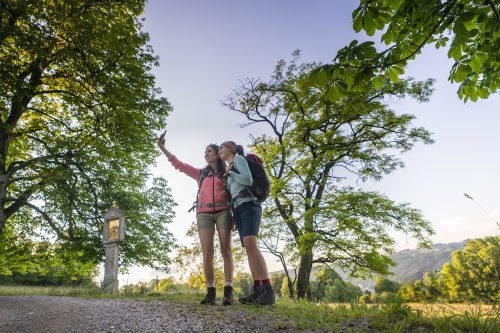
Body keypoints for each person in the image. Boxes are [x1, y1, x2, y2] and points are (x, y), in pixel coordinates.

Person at [158, 134, 234, 305]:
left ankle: (228, 292)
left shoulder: (227, 172)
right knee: (207, 252)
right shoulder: (200, 174)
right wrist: (162, 148)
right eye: (205, 152)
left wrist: (235, 215)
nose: (206, 154)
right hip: (203, 214)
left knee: (225, 250)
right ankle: (210, 292)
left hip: (224, 212)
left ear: (217, 154)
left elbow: (235, 192)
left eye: (209, 151)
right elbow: (180, 165)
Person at [219, 141, 275, 305]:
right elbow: (234, 193)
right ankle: (257, 289)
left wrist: (231, 175)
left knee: (251, 245)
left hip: (250, 205)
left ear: (230, 149)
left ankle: (268, 290)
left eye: (222, 148)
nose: (220, 150)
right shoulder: (229, 167)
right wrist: (235, 217)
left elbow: (248, 180)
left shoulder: (239, 159)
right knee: (248, 248)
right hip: (239, 209)